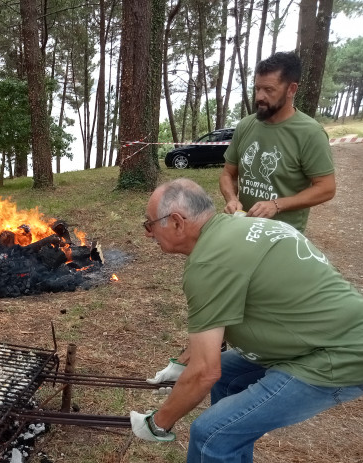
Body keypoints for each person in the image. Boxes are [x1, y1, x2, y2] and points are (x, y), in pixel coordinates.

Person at [131, 178, 363, 462]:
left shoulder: (208, 263)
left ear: (177, 222)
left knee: (212, 434)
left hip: (339, 355)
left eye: (150, 224)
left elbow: (205, 372)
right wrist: (181, 364)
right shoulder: (237, 228)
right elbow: (222, 319)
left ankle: (224, 444)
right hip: (330, 334)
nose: (148, 234)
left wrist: (157, 423)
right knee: (227, 377)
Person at [219, 51, 335, 233]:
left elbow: (326, 188)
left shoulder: (310, 133)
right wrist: (231, 198)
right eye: (257, 88)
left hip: (284, 235)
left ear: (291, 89)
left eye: (269, 90)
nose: (259, 97)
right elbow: (228, 174)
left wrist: (277, 205)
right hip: (244, 229)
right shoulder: (245, 125)